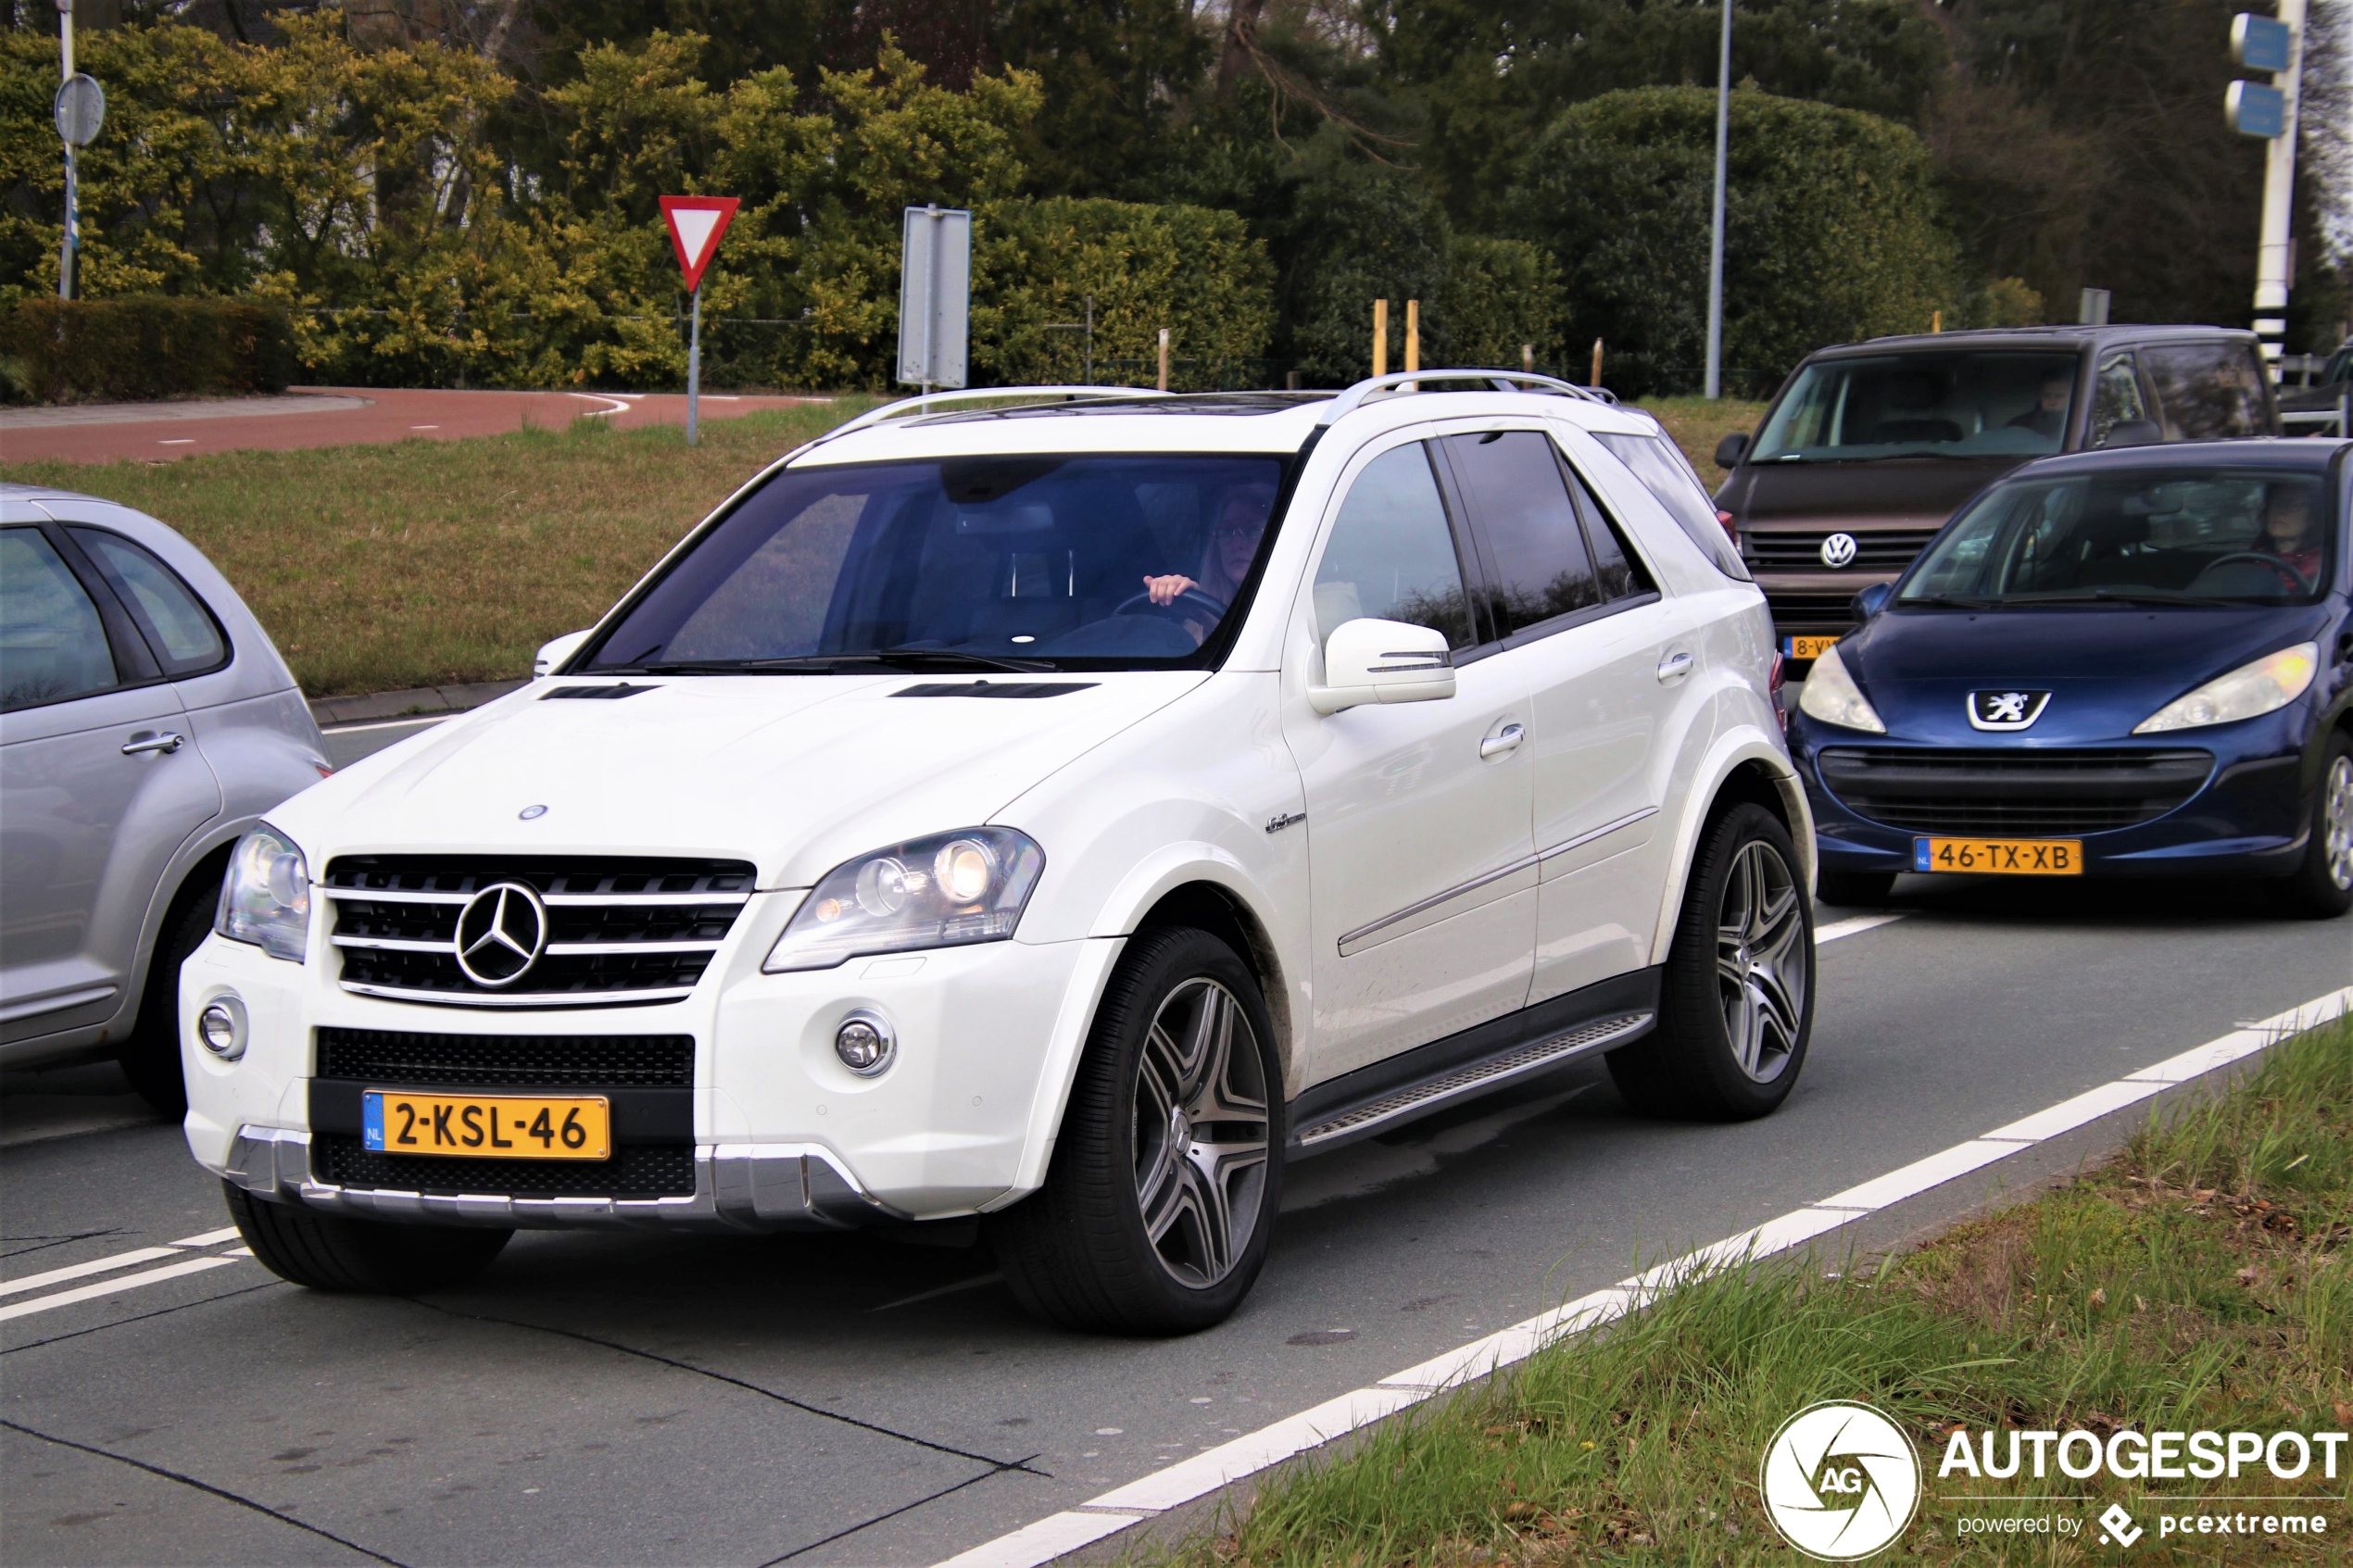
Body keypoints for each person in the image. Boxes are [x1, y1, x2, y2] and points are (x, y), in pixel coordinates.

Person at [1140, 482, 1277, 643]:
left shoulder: (1294, 607)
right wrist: (1182, 597)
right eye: (1227, 531)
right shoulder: (1195, 625)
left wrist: (1204, 616)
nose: (1237, 543)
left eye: (1253, 531)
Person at [2260, 484, 2324, 585]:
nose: (2281, 510)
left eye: (2293, 506)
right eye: (2277, 502)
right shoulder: (2260, 548)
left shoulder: (2321, 567)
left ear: (2311, 518)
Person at [2007, 369, 2072, 439]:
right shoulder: (2019, 425)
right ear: (2040, 395)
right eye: (2047, 395)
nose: (2052, 402)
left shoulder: (2077, 426)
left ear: (2071, 397)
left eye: (2059, 396)